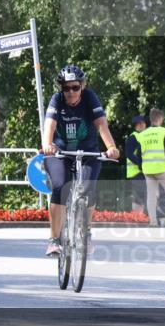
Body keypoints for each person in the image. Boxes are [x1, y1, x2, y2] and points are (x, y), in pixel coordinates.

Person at [41, 64, 120, 256]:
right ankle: (54, 240)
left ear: (81, 86)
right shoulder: (57, 100)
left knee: (88, 187)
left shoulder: (90, 98)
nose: (70, 92)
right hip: (59, 152)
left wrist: (111, 147)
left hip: (87, 151)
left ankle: (86, 232)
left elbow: (101, 124)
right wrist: (47, 145)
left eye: (75, 87)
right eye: (66, 88)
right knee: (60, 186)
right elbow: (49, 125)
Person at [138, 108, 165, 227]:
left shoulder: (143, 134)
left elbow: (139, 153)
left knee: (151, 196)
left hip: (148, 170)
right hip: (161, 168)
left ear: (151, 119)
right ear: (160, 119)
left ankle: (153, 222)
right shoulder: (164, 132)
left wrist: (142, 168)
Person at [123, 114, 148, 214]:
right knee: (139, 196)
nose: (142, 125)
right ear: (135, 126)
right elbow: (129, 154)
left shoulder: (143, 136)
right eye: (139, 124)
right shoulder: (133, 137)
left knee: (141, 196)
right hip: (136, 172)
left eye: (143, 123)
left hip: (141, 172)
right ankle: (137, 218)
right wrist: (141, 165)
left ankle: (138, 218)